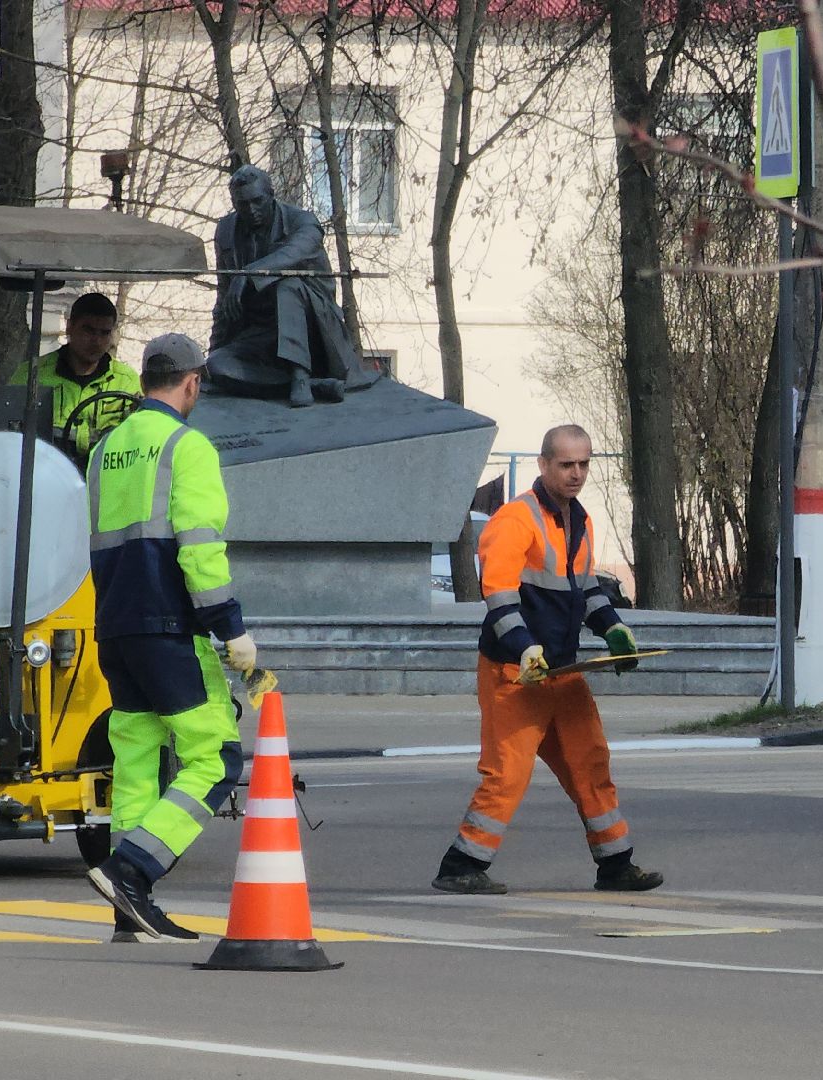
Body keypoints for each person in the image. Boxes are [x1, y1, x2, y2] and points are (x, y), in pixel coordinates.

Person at [432, 424, 662, 895]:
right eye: (566, 464)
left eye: (584, 464)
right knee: (506, 775)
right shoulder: (515, 520)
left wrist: (612, 628)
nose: (576, 474)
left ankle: (616, 864)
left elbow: (587, 588)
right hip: (515, 674)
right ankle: (460, 865)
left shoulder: (581, 521)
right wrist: (523, 648)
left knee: (592, 763)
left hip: (562, 671)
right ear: (544, 464)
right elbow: (498, 594)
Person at [84, 332, 260, 941]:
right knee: (215, 759)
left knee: (136, 761)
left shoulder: (105, 449)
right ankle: (131, 871)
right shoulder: (188, 447)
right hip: (169, 629)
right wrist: (230, 628)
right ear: (192, 382)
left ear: (143, 381)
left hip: (116, 626)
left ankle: (126, 912)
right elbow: (199, 548)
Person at [206, 163, 378, 407]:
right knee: (218, 365)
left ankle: (300, 375)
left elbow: (291, 254)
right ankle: (311, 385)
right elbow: (225, 296)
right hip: (261, 334)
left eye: (257, 201)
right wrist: (215, 348)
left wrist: (247, 273)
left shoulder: (304, 223)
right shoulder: (226, 231)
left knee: (288, 284)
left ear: (272, 195)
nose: (251, 210)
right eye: (243, 204)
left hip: (312, 332)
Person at [8, 292, 141, 461]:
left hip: (103, 477)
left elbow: (137, 440)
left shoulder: (127, 381)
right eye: (88, 330)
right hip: (46, 473)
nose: (96, 341)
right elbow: (6, 436)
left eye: (104, 333)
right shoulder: (31, 375)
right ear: (69, 327)